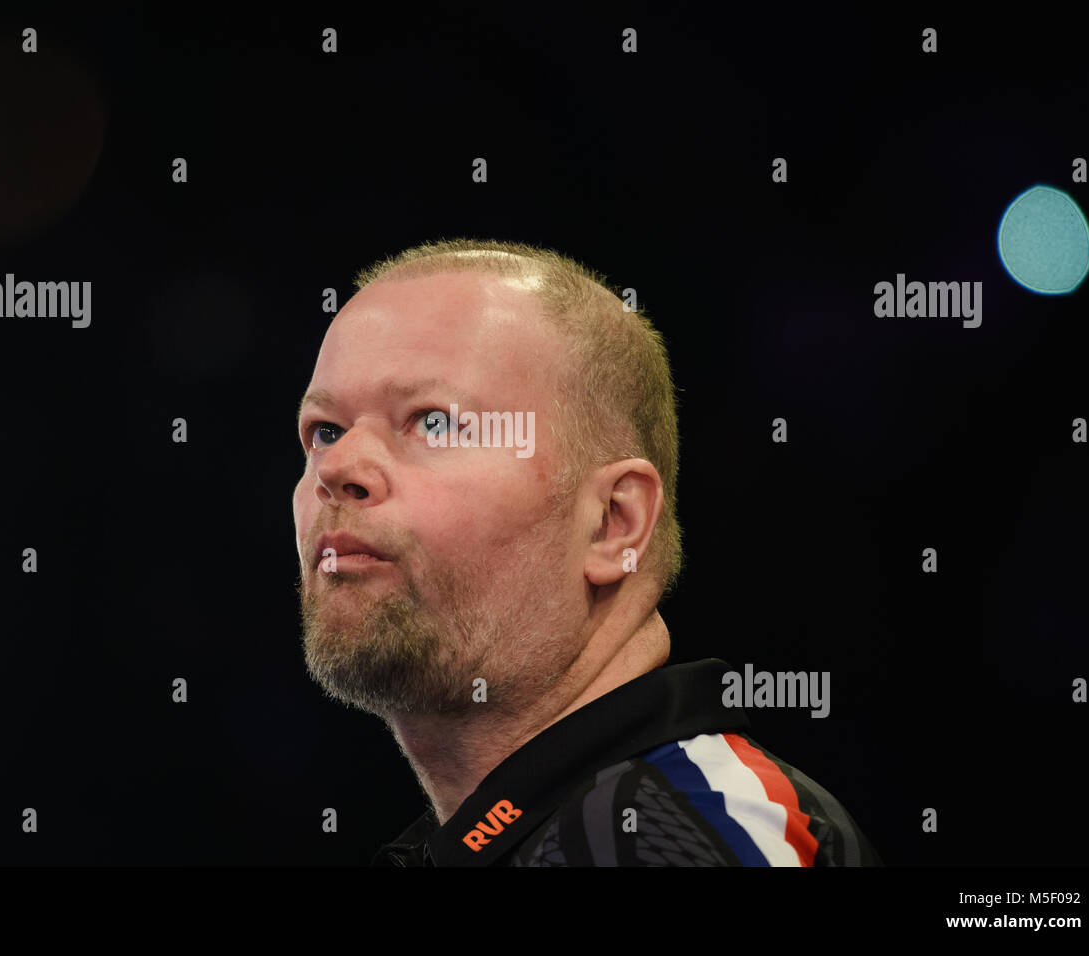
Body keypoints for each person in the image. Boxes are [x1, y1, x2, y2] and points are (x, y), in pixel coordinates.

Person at [292, 238, 882, 866]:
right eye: (326, 430)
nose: (337, 466)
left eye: (432, 421)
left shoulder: (678, 833)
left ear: (612, 524)